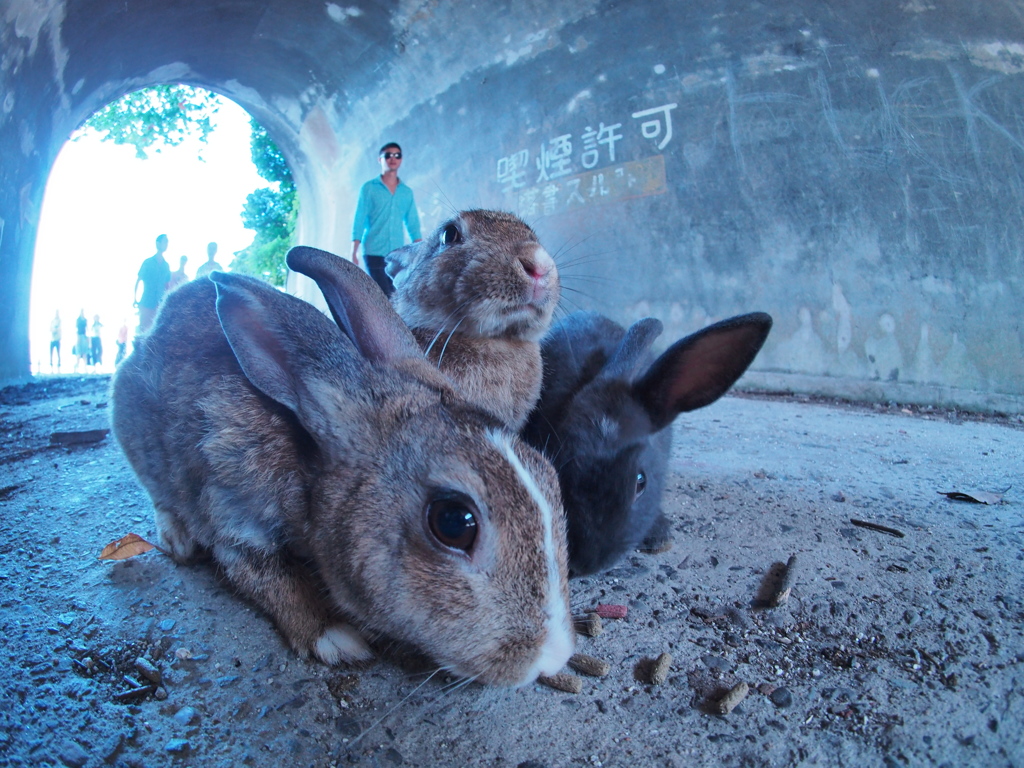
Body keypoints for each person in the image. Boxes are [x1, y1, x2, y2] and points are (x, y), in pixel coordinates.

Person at [351, 142, 422, 296]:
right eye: (388, 155)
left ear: (401, 160)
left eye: (397, 155)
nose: (393, 158)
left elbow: (413, 223)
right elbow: (359, 219)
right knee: (382, 295)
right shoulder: (369, 188)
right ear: (380, 159)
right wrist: (354, 252)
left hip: (397, 253)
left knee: (397, 295)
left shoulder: (406, 192)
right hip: (373, 251)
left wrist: (421, 252)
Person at [134, 234, 172, 334]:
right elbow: (138, 280)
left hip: (159, 305)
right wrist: (135, 299)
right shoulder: (148, 262)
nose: (166, 244)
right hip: (146, 302)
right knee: (143, 331)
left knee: (155, 332)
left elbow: (167, 286)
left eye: (167, 242)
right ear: (158, 244)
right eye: (165, 241)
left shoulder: (166, 265)